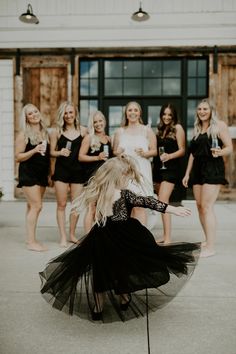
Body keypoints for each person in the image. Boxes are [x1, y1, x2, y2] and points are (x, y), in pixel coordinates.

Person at [40, 155, 200, 324]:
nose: (129, 179)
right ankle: (124, 298)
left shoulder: (98, 191)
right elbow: (148, 202)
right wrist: (172, 210)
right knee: (121, 266)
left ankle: (98, 308)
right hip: (125, 235)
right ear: (119, 177)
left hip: (101, 236)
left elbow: (87, 212)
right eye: (127, 176)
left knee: (100, 271)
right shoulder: (126, 195)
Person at [182, 99, 233, 257]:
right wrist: (187, 173)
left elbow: (229, 147)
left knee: (206, 206)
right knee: (199, 206)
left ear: (211, 110)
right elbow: (192, 153)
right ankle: (207, 238)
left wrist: (220, 152)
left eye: (205, 109)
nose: (202, 111)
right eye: (199, 109)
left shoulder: (219, 126)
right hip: (197, 169)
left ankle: (211, 247)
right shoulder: (196, 128)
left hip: (212, 168)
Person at [112, 101, 157, 225]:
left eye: (135, 110)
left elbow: (154, 151)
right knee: (127, 205)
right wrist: (119, 153)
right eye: (130, 110)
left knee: (140, 205)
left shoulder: (147, 131)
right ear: (126, 113)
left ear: (139, 113)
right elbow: (115, 152)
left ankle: (141, 237)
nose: (132, 113)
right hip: (124, 172)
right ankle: (129, 238)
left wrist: (145, 153)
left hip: (141, 171)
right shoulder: (119, 132)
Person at [50, 101, 87, 247]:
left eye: (71, 112)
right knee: (61, 204)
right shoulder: (56, 132)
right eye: (65, 113)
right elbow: (51, 152)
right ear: (62, 115)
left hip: (78, 171)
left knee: (76, 205)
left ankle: (72, 234)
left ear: (75, 114)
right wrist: (60, 152)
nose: (68, 115)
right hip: (62, 171)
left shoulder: (83, 131)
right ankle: (63, 236)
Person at [15, 104, 50, 252]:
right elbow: (18, 157)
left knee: (32, 206)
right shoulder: (23, 134)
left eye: (35, 111)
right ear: (26, 118)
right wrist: (34, 150)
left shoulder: (45, 132)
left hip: (41, 174)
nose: (34, 114)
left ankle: (31, 238)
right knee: (37, 206)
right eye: (30, 114)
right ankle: (30, 242)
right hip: (28, 173)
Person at [153, 103, 185, 244]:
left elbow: (182, 150)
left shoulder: (178, 128)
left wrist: (169, 156)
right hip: (159, 169)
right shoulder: (160, 129)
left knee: (163, 200)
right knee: (161, 202)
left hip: (171, 169)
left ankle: (168, 238)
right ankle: (166, 235)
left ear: (174, 116)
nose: (166, 117)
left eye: (169, 115)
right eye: (164, 114)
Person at [79, 110, 113, 233]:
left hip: (107, 178)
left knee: (104, 209)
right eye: (95, 122)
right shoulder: (89, 138)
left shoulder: (108, 139)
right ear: (92, 124)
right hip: (93, 178)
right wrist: (97, 157)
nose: (98, 124)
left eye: (100, 121)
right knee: (91, 208)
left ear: (104, 121)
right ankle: (88, 239)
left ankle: (99, 236)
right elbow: (81, 156)